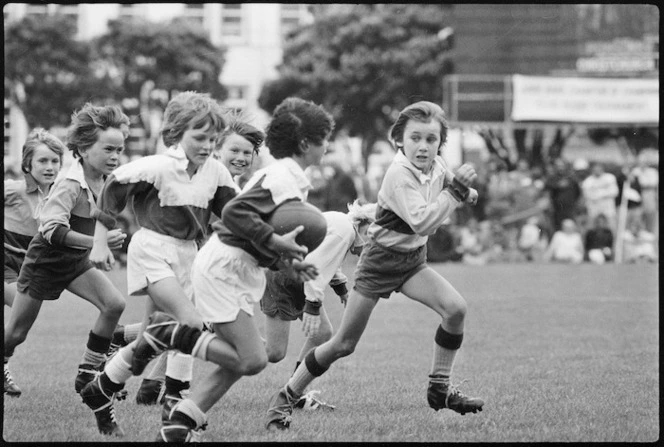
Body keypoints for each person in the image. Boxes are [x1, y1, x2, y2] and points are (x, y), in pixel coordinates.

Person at [262, 100, 484, 431]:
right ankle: (285, 397)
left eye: (431, 139)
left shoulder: (436, 165)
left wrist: (468, 193)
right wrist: (455, 193)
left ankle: (439, 389)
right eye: (415, 138)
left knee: (456, 310)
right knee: (342, 345)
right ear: (399, 140)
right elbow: (422, 222)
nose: (423, 146)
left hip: (411, 262)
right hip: (380, 262)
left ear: (440, 144)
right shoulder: (398, 174)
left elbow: (455, 187)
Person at [128, 96, 335, 442]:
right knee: (253, 359)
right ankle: (169, 335)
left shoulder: (290, 177)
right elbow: (236, 215)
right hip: (222, 269)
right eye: (324, 138)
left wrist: (286, 262)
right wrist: (277, 242)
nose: (327, 146)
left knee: (241, 361)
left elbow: (256, 231)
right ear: (305, 144)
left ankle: (180, 424)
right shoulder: (281, 177)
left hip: (239, 269)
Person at [78, 91, 240, 437]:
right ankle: (176, 399)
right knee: (190, 322)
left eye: (213, 138)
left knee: (161, 330)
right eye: (199, 137)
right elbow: (112, 190)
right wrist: (99, 241)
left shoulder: (217, 172)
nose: (208, 145)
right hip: (152, 249)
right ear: (174, 135)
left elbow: (238, 215)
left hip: (190, 255)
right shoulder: (156, 167)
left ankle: (102, 386)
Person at [131, 114, 265, 406]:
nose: (241, 158)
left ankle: (149, 385)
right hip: (177, 258)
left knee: (169, 327)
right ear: (218, 149)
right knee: (183, 325)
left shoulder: (234, 189)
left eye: (248, 153)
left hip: (185, 260)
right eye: (235, 150)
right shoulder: (209, 177)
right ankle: (160, 388)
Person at [3, 104, 129, 403]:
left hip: (73, 262)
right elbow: (50, 230)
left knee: (113, 304)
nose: (115, 156)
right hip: (43, 263)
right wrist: (95, 244)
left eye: (120, 150)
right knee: (17, 334)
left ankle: (89, 371)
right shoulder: (70, 183)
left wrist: (108, 238)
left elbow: (102, 216)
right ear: (83, 149)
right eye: (109, 149)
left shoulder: (107, 181)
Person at [262, 200, 376, 410]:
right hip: (283, 277)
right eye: (374, 240)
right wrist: (312, 307)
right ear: (367, 226)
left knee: (322, 333)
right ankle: (224, 335)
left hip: (295, 277)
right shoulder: (345, 232)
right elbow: (316, 265)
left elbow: (326, 260)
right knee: (274, 352)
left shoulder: (343, 225)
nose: (371, 248)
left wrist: (342, 290)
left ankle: (294, 393)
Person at [3, 128, 65, 396]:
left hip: (30, 270)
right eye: (43, 161)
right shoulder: (14, 189)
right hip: (5, 264)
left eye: (54, 161)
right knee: (19, 307)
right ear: (27, 164)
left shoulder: (62, 197)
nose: (50, 167)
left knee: (18, 333)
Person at [544, 158, 581, 231]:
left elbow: (578, 193)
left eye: (562, 166)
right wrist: (558, 185)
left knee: (571, 228)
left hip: (570, 209)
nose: (560, 168)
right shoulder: (552, 178)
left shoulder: (572, 179)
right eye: (558, 166)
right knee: (557, 229)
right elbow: (547, 188)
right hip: (556, 209)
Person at [581, 162, 619, 232]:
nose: (597, 171)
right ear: (592, 170)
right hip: (594, 207)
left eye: (599, 169)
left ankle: (614, 241)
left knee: (612, 226)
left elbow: (614, 192)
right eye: (595, 169)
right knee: (590, 227)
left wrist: (599, 193)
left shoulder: (610, 177)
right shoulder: (588, 181)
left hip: (608, 207)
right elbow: (587, 195)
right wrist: (605, 193)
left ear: (602, 169)